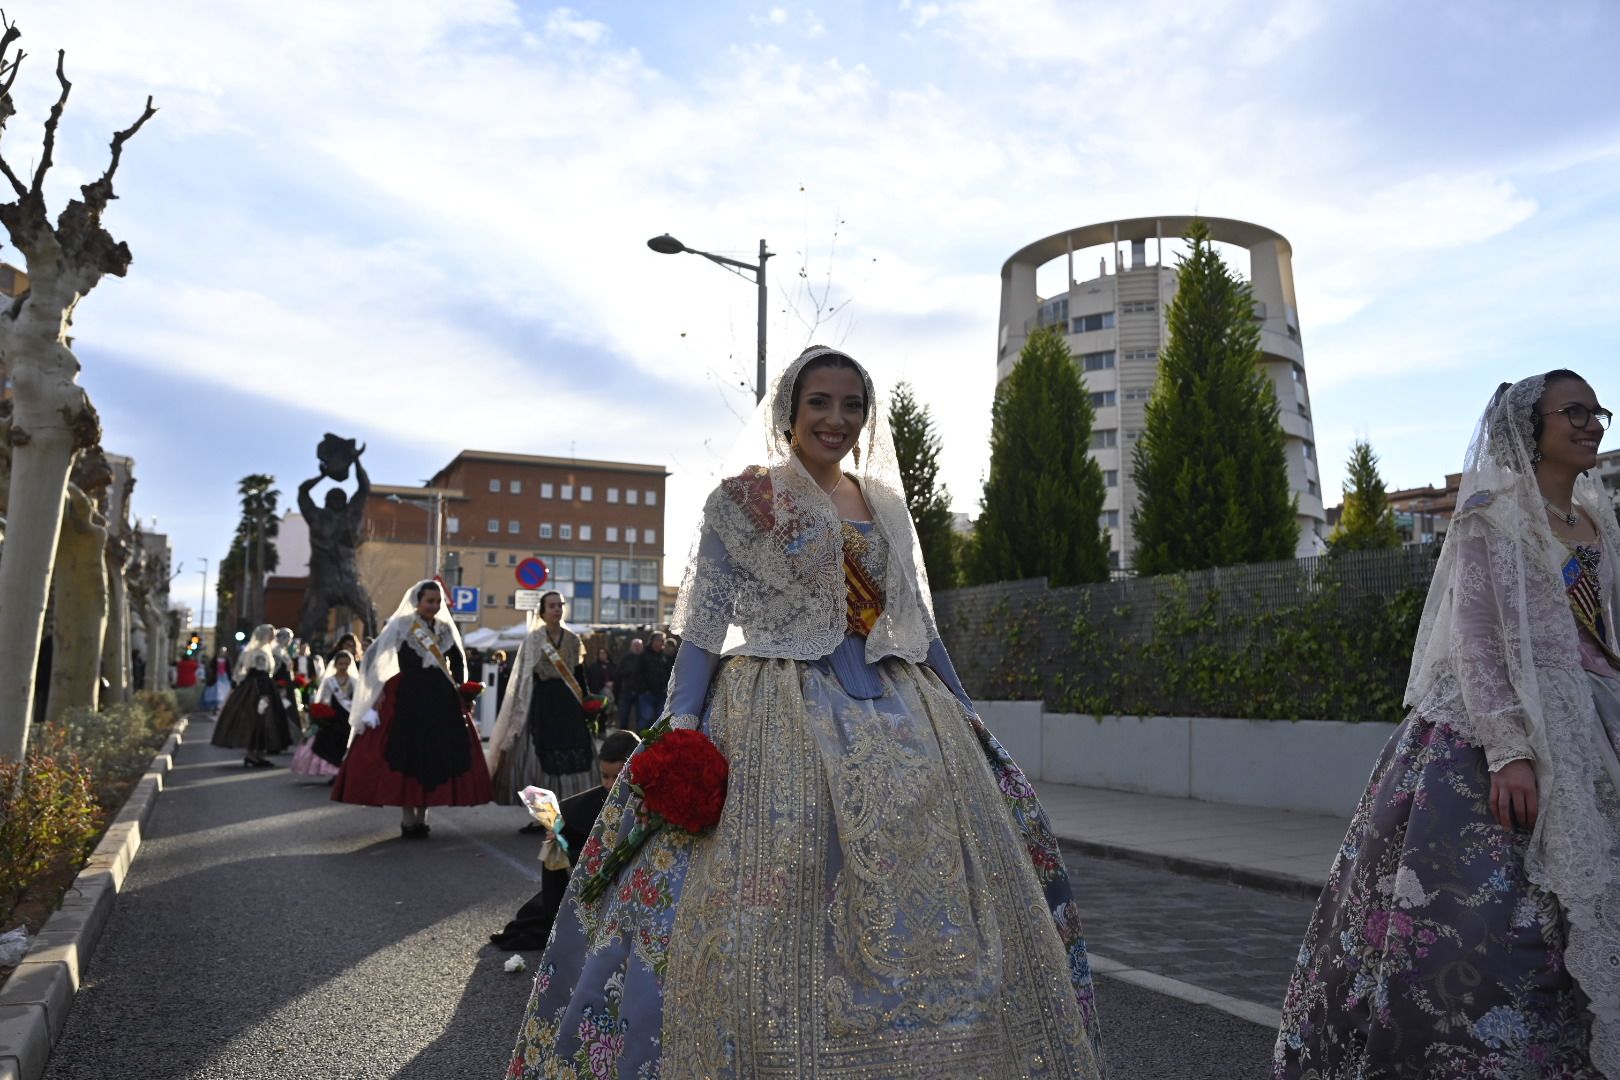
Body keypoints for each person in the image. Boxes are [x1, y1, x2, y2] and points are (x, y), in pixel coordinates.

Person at [506, 346, 1104, 1078]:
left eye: (852, 405)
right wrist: (683, 725)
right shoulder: (745, 498)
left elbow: (918, 624)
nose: (837, 418)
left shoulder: (883, 504)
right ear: (790, 410)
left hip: (901, 703)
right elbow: (704, 624)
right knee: (766, 898)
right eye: (820, 402)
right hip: (775, 707)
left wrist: (966, 714)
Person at [1275, 370, 1619, 1077]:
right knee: (1491, 926)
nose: (1592, 424)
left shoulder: (1597, 520)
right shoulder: (1491, 515)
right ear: (1532, 426)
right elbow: (1475, 637)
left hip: (1594, 725)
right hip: (1499, 731)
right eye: (1574, 412)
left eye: (1599, 412)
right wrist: (1508, 749)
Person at [332, 580, 493, 837]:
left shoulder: (444, 629)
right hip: (408, 697)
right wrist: (379, 689)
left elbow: (458, 660)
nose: (434, 605)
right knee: (406, 755)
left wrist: (463, 690)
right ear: (417, 601)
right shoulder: (402, 625)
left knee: (433, 757)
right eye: (430, 601)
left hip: (441, 699)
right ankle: (408, 818)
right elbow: (373, 657)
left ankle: (423, 817)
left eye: (438, 601)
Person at [488, 729, 641, 952]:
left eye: (616, 777)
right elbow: (568, 819)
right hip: (596, 874)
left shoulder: (647, 800)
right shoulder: (599, 796)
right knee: (552, 848)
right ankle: (555, 922)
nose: (609, 784)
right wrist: (557, 833)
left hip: (632, 877)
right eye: (604, 776)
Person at [486, 592, 598, 825]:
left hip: (569, 705)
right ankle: (542, 817)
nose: (557, 609)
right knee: (538, 760)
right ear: (543, 611)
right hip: (542, 704)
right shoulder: (534, 640)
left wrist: (588, 703)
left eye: (560, 605)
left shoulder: (573, 640)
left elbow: (579, 676)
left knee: (573, 759)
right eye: (552, 606)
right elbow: (525, 678)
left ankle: (568, 812)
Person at [211, 624, 294, 768]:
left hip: (254, 686)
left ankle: (257, 754)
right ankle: (254, 754)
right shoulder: (260, 653)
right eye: (271, 634)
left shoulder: (256, 651)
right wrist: (264, 694)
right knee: (259, 720)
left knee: (258, 721)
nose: (273, 637)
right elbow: (259, 673)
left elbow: (240, 673)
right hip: (259, 688)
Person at [291, 650, 357, 779]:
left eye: (346, 664)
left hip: (348, 716)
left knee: (347, 744)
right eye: (341, 663)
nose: (343, 666)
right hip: (333, 716)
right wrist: (322, 714)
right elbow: (324, 699)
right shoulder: (329, 681)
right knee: (330, 744)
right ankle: (334, 772)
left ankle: (344, 772)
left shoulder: (354, 681)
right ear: (335, 665)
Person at [636, 631, 673, 726]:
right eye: (660, 640)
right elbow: (637, 673)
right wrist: (645, 689)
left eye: (663, 640)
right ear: (653, 641)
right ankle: (641, 740)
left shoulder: (665, 656)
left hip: (662, 693)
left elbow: (669, 673)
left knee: (660, 720)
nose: (662, 643)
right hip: (647, 694)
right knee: (646, 718)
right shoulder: (643, 655)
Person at [613, 638, 643, 730]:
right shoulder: (625, 659)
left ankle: (640, 737)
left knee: (641, 717)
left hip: (641, 691)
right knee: (624, 716)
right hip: (627, 691)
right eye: (635, 646)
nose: (637, 648)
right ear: (631, 647)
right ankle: (623, 735)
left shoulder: (645, 658)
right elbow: (618, 674)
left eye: (639, 646)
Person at [201, 647, 232, 712]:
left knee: (224, 690)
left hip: (224, 677)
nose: (222, 653)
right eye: (221, 651)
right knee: (216, 690)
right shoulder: (215, 659)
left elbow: (229, 669)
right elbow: (211, 666)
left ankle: (222, 705)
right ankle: (216, 706)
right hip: (216, 677)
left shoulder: (227, 659)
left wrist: (230, 677)